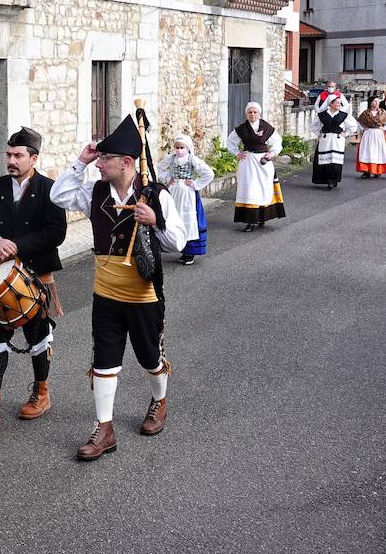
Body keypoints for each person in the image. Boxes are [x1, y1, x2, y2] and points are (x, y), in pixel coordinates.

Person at [50, 115, 186, 461]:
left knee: (150, 358)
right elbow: (59, 194)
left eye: (105, 159)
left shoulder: (155, 195)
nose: (100, 163)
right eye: (98, 159)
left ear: (126, 163)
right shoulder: (94, 192)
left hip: (143, 296)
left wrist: (156, 222)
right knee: (104, 361)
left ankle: (159, 400)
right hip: (105, 294)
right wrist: (81, 160)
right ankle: (104, 428)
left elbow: (180, 242)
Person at [0, 126, 67, 429]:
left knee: (38, 337)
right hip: (2, 277)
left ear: (34, 158)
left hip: (34, 277)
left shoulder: (50, 188)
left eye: (18, 155)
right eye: (8, 154)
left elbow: (57, 233)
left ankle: (41, 394)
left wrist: (18, 245)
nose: (11, 160)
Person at [225, 102, 287, 228]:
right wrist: (237, 153)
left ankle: (262, 217)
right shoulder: (241, 129)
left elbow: (277, 142)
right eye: (250, 112)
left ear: (259, 113)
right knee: (250, 189)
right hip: (248, 162)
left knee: (263, 188)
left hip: (263, 162)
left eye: (255, 112)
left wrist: (272, 153)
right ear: (246, 114)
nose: (252, 114)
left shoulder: (266, 127)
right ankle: (250, 221)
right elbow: (230, 142)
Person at [157, 134, 215, 265]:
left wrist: (195, 184)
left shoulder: (192, 159)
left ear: (187, 148)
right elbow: (160, 167)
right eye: (177, 147)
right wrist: (167, 179)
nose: (179, 150)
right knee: (173, 217)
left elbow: (209, 173)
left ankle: (189, 251)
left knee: (187, 219)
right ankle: (175, 244)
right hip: (173, 190)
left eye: (181, 147)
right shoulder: (171, 158)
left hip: (187, 192)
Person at [312, 95, 356, 188]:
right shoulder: (322, 115)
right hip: (326, 139)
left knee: (335, 161)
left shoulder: (344, 115)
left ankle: (333, 180)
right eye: (336, 103)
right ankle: (327, 179)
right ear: (331, 103)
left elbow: (353, 126)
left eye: (340, 103)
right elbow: (314, 126)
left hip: (337, 139)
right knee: (326, 160)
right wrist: (318, 134)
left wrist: (346, 134)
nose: (339, 104)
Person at [355, 98, 386, 179]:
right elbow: (359, 122)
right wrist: (364, 128)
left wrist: (383, 128)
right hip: (369, 134)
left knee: (378, 151)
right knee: (368, 151)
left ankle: (378, 170)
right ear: (370, 103)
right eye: (375, 101)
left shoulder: (382, 112)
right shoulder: (366, 113)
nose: (377, 103)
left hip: (378, 134)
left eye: (378, 101)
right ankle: (366, 171)